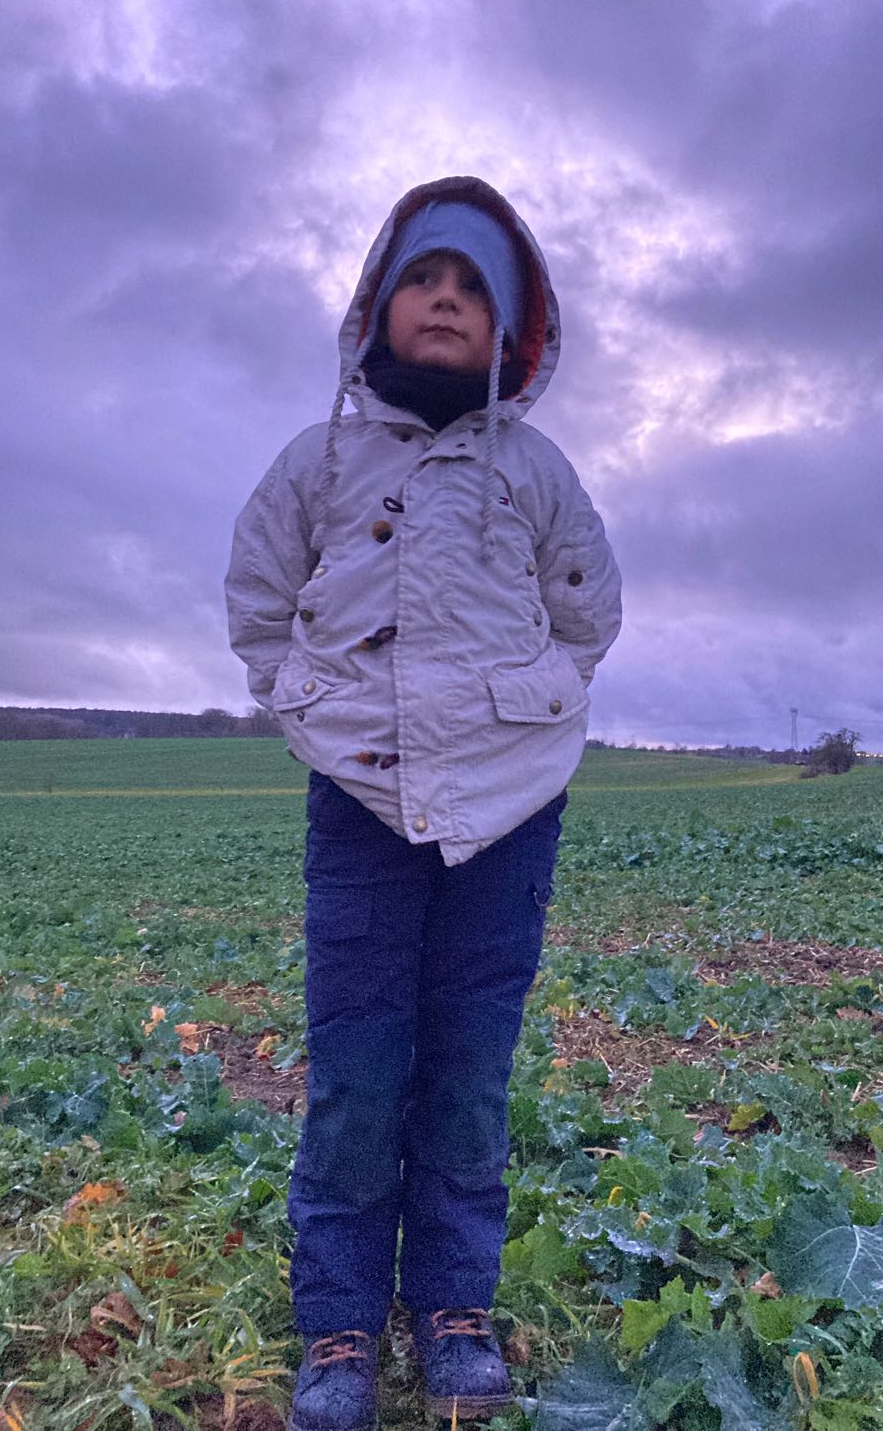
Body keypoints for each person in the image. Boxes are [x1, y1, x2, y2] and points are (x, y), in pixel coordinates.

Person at [225, 177, 621, 1431]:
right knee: (355, 1069)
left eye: (472, 288)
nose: (445, 302)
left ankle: (455, 1310)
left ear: (511, 327)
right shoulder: (320, 461)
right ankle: (338, 1325)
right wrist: (309, 703)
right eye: (423, 279)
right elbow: (258, 602)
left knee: (467, 1071)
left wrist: (529, 713)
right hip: (360, 805)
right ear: (377, 305)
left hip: (510, 815)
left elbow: (588, 615)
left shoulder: (535, 471)